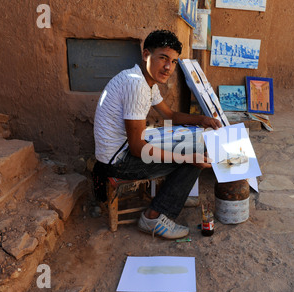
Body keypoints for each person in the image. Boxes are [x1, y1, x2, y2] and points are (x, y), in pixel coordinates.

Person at [93, 30, 221, 239]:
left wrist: (201, 120)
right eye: (163, 58)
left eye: (173, 61)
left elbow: (169, 114)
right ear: (146, 55)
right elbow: (137, 148)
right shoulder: (136, 85)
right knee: (194, 155)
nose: (168, 67)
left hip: (121, 150)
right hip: (119, 161)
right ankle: (153, 217)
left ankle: (176, 192)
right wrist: (188, 157)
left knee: (190, 142)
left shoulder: (145, 81)